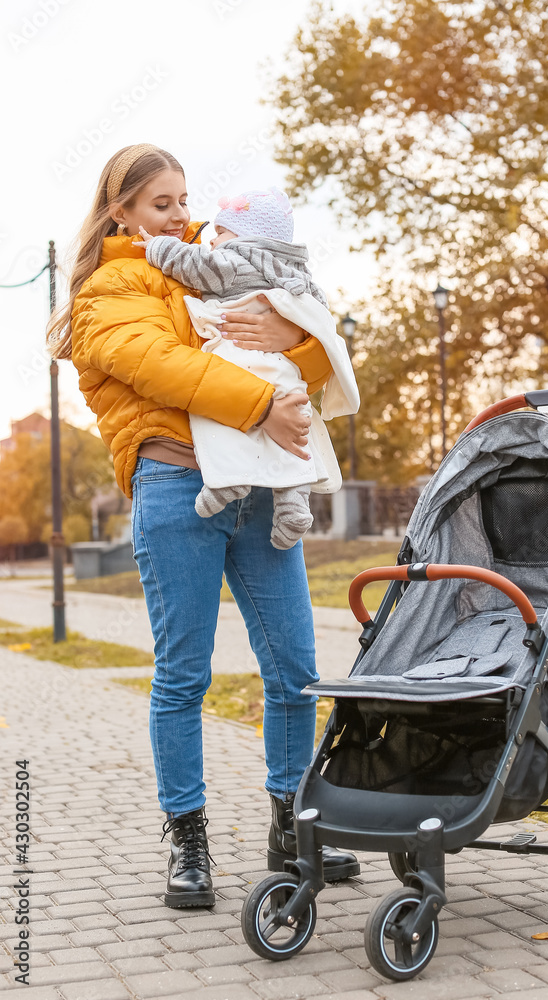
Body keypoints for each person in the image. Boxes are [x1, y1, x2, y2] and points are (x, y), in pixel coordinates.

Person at [47, 143, 359, 908]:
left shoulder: (223, 261)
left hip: (259, 483)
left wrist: (299, 340)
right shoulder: (108, 289)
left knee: (294, 668)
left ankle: (293, 825)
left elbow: (318, 343)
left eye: (184, 199)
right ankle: (188, 842)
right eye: (161, 204)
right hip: (176, 482)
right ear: (119, 211)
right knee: (183, 673)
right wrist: (259, 403)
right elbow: (154, 362)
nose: (180, 215)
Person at [134, 186, 358, 550]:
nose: (211, 241)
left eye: (220, 233)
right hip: (285, 370)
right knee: (294, 429)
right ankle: (294, 504)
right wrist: (296, 332)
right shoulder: (298, 273)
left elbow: (198, 266)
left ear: (245, 237)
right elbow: (323, 325)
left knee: (224, 413)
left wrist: (157, 248)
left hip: (241, 360)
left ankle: (228, 480)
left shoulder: (236, 262)